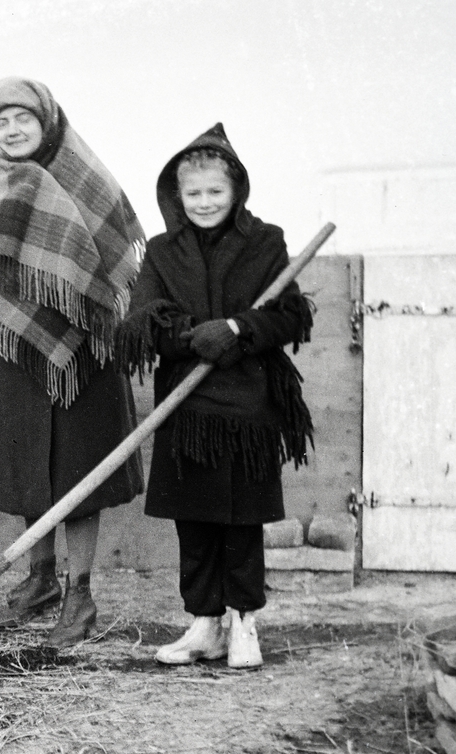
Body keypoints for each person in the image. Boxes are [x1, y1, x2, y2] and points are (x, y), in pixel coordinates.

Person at [0, 77, 146, 646]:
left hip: (85, 350)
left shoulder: (86, 176)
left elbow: (120, 259)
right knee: (27, 465)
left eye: (24, 120)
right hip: (14, 347)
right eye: (1, 122)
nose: (13, 131)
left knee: (79, 472)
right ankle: (38, 580)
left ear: (47, 122)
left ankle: (79, 594)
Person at [117, 124, 312, 668]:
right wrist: (191, 337)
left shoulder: (266, 242)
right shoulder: (160, 252)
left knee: (241, 519)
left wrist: (238, 329)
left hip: (249, 407)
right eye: (193, 193)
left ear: (236, 191)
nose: (204, 203)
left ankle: (244, 622)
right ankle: (204, 624)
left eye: (215, 192)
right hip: (188, 404)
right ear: (177, 197)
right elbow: (142, 323)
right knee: (196, 517)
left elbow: (292, 314)